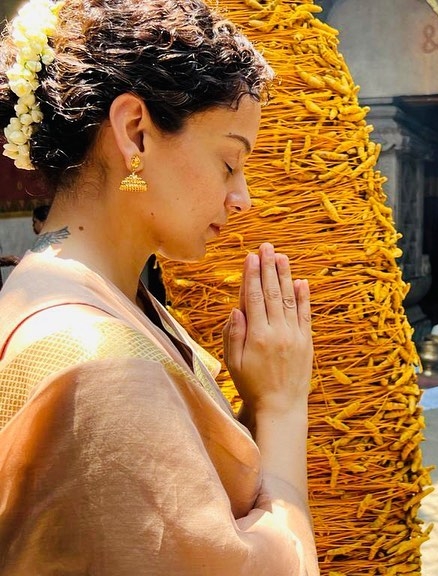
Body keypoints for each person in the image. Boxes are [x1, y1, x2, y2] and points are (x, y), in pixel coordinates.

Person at [0, 1, 319, 574]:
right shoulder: (93, 364)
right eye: (229, 162)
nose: (241, 197)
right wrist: (281, 404)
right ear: (135, 134)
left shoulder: (87, 294)